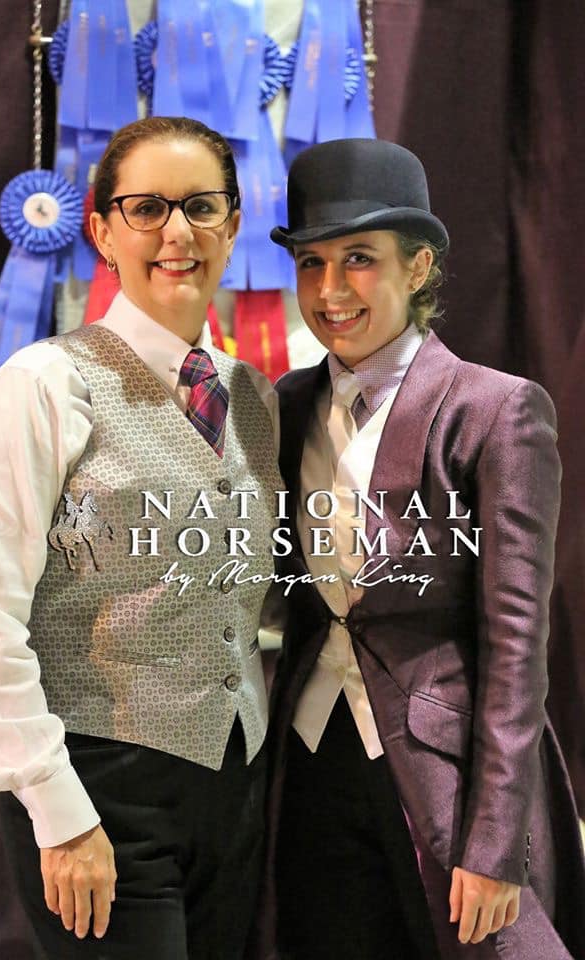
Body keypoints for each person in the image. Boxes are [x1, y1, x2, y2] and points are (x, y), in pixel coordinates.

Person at [0, 116, 282, 960]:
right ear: (100, 229)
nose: (178, 232)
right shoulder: (38, 389)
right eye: (146, 208)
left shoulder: (255, 396)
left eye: (202, 206)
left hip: (233, 783)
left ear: (234, 225)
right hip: (97, 788)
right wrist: (55, 809)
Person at [252, 138, 585, 960]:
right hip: (310, 760)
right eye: (312, 263)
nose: (329, 291)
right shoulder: (286, 404)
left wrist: (496, 843)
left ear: (420, 266)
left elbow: (516, 648)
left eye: (358, 259)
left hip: (446, 780)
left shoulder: (496, 411)